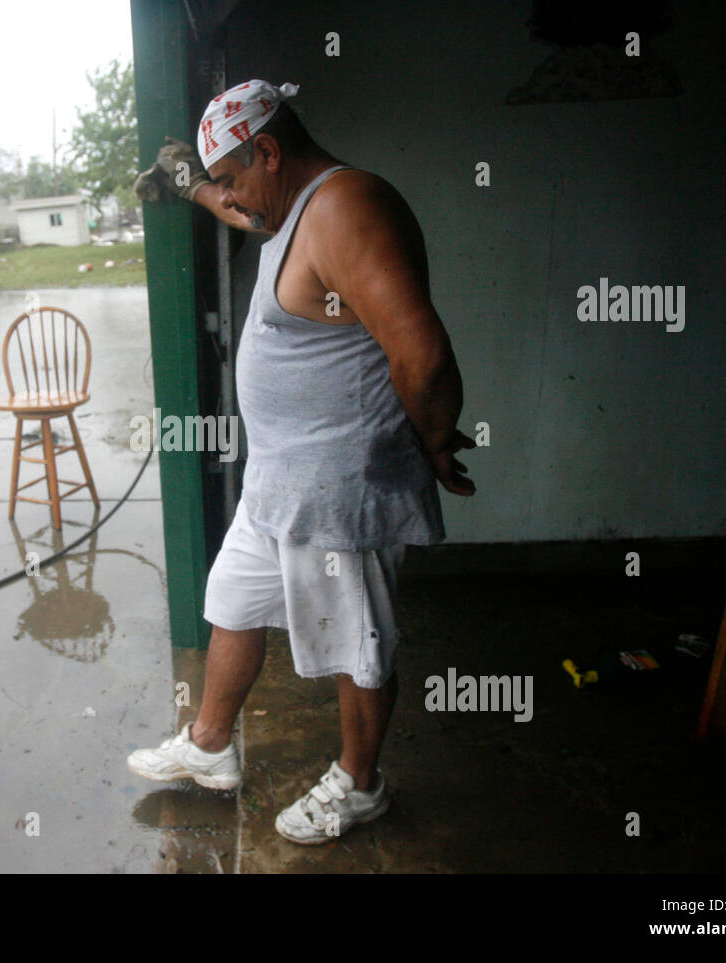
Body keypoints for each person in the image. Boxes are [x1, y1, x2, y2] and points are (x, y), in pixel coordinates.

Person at [127, 79, 476, 845]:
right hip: (279, 480)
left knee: (361, 643)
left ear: (271, 150)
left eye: (232, 175)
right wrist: (193, 185)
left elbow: (423, 355)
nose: (231, 196)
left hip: (341, 486)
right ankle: (210, 745)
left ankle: (360, 782)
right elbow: (235, 204)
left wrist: (436, 442)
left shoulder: (347, 207)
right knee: (232, 598)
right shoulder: (285, 204)